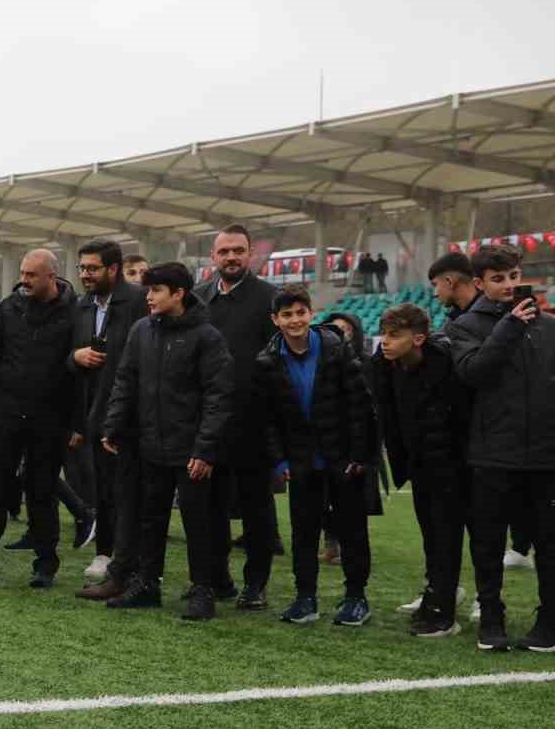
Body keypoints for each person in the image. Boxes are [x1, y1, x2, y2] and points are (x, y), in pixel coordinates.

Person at [101, 261, 233, 620]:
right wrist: (113, 426)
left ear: (179, 294)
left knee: (198, 522)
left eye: (157, 290)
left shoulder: (207, 337)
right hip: (149, 446)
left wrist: (205, 448)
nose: (149, 297)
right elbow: (125, 381)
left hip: (190, 450)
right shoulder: (141, 330)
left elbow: (218, 396)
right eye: (148, 290)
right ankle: (146, 584)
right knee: (149, 518)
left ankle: (202, 588)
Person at [446, 243, 555, 652]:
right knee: (488, 545)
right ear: (479, 283)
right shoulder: (464, 328)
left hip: (545, 456)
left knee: (549, 544)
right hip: (492, 454)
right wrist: (509, 326)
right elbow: (473, 373)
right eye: (498, 279)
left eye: (513, 276)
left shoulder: (549, 327)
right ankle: (491, 618)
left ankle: (549, 622)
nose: (509, 285)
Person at [254, 285, 375, 627]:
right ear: (275, 320)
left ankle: (356, 598)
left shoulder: (337, 350)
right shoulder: (267, 361)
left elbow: (360, 404)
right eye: (287, 315)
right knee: (303, 532)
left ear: (310, 313)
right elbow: (268, 420)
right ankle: (305, 598)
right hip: (301, 463)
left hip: (343, 458)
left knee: (352, 530)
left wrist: (358, 453)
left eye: (300, 312)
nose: (295, 320)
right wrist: (280, 461)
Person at [0, 249, 77, 589]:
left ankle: (45, 564)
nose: (23, 280)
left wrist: (75, 424)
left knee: (43, 492)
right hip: (6, 414)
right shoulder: (8, 308)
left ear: (51, 277)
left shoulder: (74, 312)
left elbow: (77, 374)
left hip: (50, 418)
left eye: (31, 275)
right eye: (23, 273)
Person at [191, 224, 281, 609]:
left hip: (254, 424)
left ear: (249, 255)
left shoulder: (270, 298)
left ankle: (255, 584)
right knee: (209, 509)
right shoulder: (197, 300)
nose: (231, 257)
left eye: (238, 251)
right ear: (213, 256)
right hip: (208, 425)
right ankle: (216, 578)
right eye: (224, 251)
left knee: (257, 510)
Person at [374, 302, 471, 638]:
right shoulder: (386, 367)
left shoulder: (446, 365)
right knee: (432, 535)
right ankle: (437, 593)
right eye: (384, 334)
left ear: (418, 338)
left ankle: (445, 613)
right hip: (420, 465)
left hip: (454, 466)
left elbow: (459, 419)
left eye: (394, 335)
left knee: (447, 536)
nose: (384, 341)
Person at [68, 239, 146, 599]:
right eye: (82, 268)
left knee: (132, 492)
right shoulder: (81, 307)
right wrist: (75, 356)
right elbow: (65, 357)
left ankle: (136, 564)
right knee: (104, 489)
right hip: (95, 413)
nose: (85, 274)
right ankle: (105, 553)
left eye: (92, 268)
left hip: (133, 415)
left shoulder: (138, 302)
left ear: (112, 269)